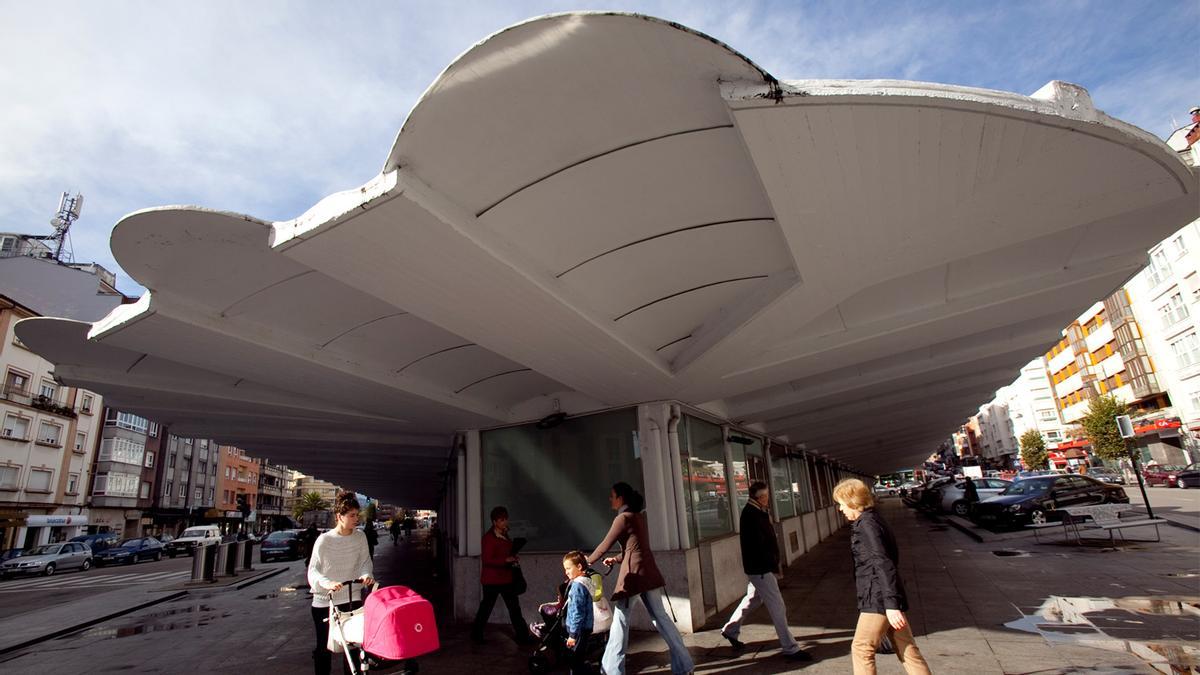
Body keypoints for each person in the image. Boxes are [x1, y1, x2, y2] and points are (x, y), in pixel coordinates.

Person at [587, 482, 693, 675]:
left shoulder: (622, 518)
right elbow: (636, 548)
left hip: (633, 578)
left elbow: (604, 544)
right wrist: (617, 559)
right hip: (648, 574)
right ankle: (685, 667)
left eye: (612, 495)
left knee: (620, 622)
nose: (610, 499)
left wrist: (586, 562)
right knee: (662, 619)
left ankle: (612, 670)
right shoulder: (638, 517)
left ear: (621, 498)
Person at [832, 478, 931, 675]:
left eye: (841, 504)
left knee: (861, 648)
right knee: (907, 649)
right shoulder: (873, 519)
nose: (840, 509)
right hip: (885, 595)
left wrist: (891, 604)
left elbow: (882, 562)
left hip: (878, 597)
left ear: (852, 501)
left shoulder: (866, 525)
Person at [720, 481, 812, 662]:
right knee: (778, 606)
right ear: (760, 497)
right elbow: (761, 545)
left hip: (758, 568)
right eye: (767, 496)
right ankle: (790, 648)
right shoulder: (753, 514)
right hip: (760, 569)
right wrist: (771, 565)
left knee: (752, 600)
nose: (768, 499)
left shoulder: (756, 512)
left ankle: (730, 630)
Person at [308, 492, 374, 675]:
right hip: (325, 603)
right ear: (339, 517)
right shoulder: (324, 540)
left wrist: (366, 575)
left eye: (357, 515)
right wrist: (327, 583)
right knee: (324, 648)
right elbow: (313, 570)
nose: (356, 519)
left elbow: (365, 562)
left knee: (354, 647)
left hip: (352, 600)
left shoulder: (360, 537)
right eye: (352, 515)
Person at [471, 506, 533, 644]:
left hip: (506, 578)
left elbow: (505, 553)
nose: (505, 522)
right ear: (494, 522)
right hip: (492, 580)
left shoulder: (505, 535)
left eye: (506, 519)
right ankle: (476, 635)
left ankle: (522, 636)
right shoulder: (488, 538)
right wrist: (506, 560)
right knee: (486, 609)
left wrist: (513, 556)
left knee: (514, 609)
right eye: (501, 520)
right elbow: (487, 559)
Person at [561, 550, 594, 675]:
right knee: (580, 656)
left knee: (574, 659)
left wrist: (572, 635)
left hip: (577, 629)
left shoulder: (577, 585)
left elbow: (577, 611)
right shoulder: (587, 580)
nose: (566, 572)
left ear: (579, 567)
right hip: (586, 627)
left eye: (568, 568)